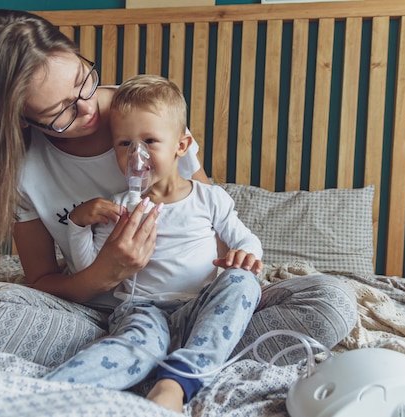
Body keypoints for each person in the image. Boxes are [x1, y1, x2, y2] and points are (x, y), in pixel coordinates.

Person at [0, 7, 357, 410]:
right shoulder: (20, 167)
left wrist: (234, 278)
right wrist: (105, 273)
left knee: (331, 300)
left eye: (83, 80)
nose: (88, 107)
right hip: (102, 309)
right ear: (20, 119)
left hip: (198, 299)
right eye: (60, 110)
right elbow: (42, 279)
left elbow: (209, 217)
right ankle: (171, 351)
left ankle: (150, 360)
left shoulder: (148, 111)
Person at [52, 74, 263, 411]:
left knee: (244, 281)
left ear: (181, 145)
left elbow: (245, 238)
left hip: (200, 306)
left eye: (150, 140)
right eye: (124, 144)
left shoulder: (210, 199)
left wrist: (245, 256)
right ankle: (51, 394)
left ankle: (177, 380)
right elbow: (87, 268)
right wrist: (77, 226)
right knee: (136, 342)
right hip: (142, 309)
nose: (137, 154)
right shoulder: (120, 207)